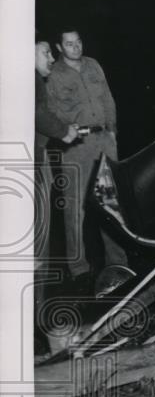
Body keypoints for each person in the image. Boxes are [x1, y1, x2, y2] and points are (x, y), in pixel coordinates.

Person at [45, 29, 128, 281]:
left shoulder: (93, 65)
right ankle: (78, 269)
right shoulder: (54, 74)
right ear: (59, 47)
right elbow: (51, 112)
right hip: (76, 145)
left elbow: (108, 99)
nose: (76, 47)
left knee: (110, 201)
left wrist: (112, 130)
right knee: (76, 207)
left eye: (78, 41)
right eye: (69, 44)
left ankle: (118, 262)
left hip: (104, 140)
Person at [34, 35, 78, 265]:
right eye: (46, 53)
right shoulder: (30, 79)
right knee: (37, 227)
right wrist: (64, 131)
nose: (52, 58)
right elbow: (37, 114)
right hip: (33, 161)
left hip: (39, 158)